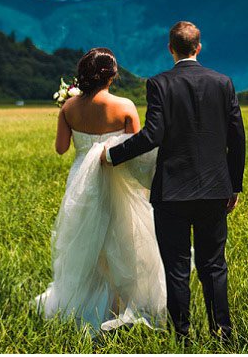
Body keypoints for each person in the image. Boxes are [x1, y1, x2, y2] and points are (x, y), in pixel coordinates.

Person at [103, 21, 246, 342]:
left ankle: (181, 335)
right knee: (214, 265)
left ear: (171, 49)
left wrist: (114, 155)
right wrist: (234, 185)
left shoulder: (159, 83)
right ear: (198, 47)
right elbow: (237, 137)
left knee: (177, 267)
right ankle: (222, 333)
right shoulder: (223, 82)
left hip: (172, 193)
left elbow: (153, 134)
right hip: (214, 190)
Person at [32, 48, 167, 334]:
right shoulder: (125, 106)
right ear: (112, 75)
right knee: (125, 244)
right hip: (119, 184)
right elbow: (139, 156)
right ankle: (122, 307)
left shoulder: (68, 108)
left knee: (86, 244)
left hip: (82, 185)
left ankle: (87, 305)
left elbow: (60, 149)